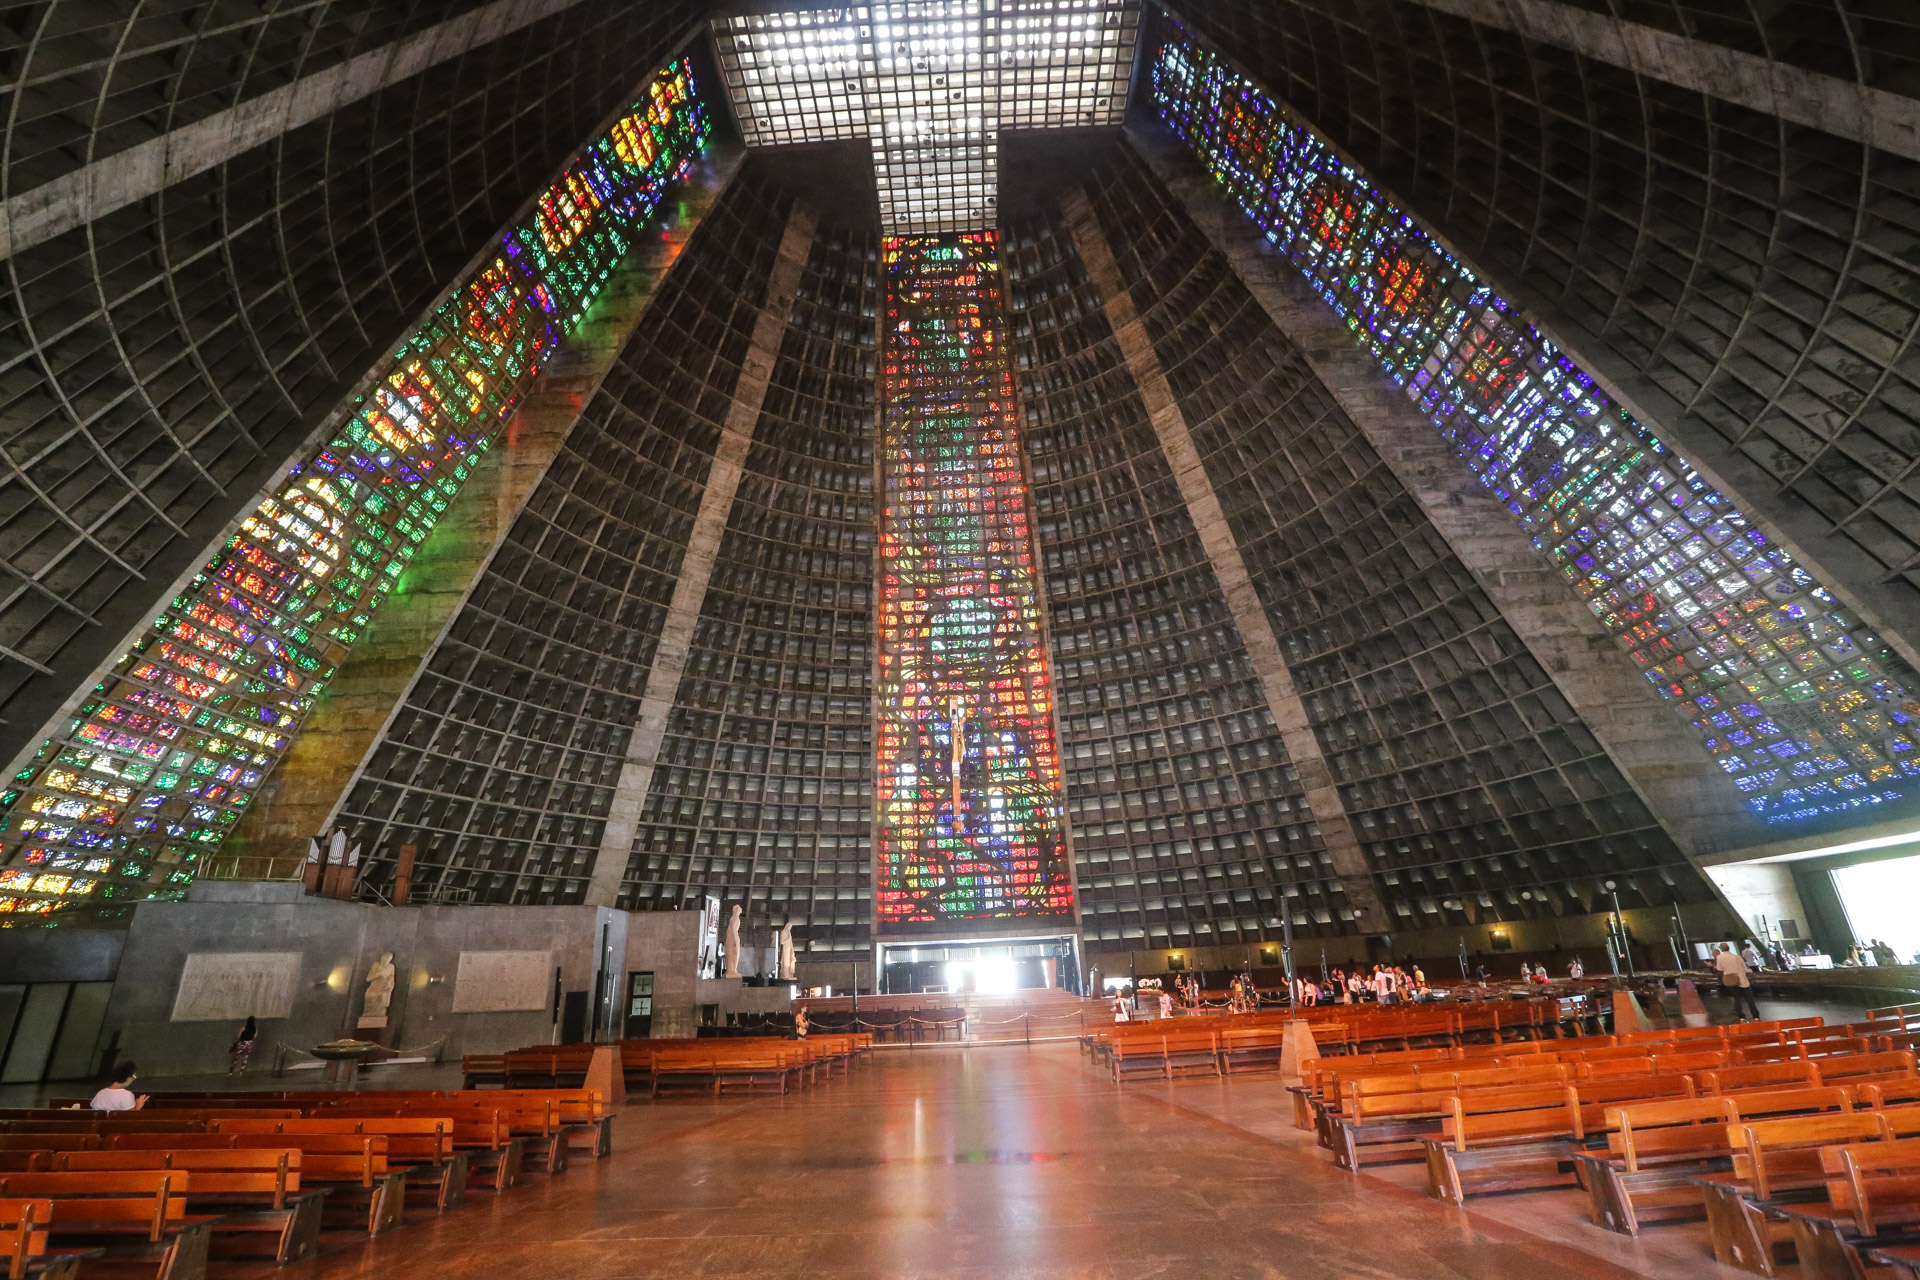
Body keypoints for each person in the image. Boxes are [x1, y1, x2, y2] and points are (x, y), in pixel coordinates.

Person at [1714, 942, 1761, 1020]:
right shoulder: (1737, 957)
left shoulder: (1719, 957)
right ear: (1729, 948)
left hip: (1731, 980)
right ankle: (1756, 1016)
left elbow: (1720, 969)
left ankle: (1741, 1017)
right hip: (1742, 980)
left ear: (1721, 949)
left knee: (1737, 999)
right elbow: (1745, 969)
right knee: (1749, 999)